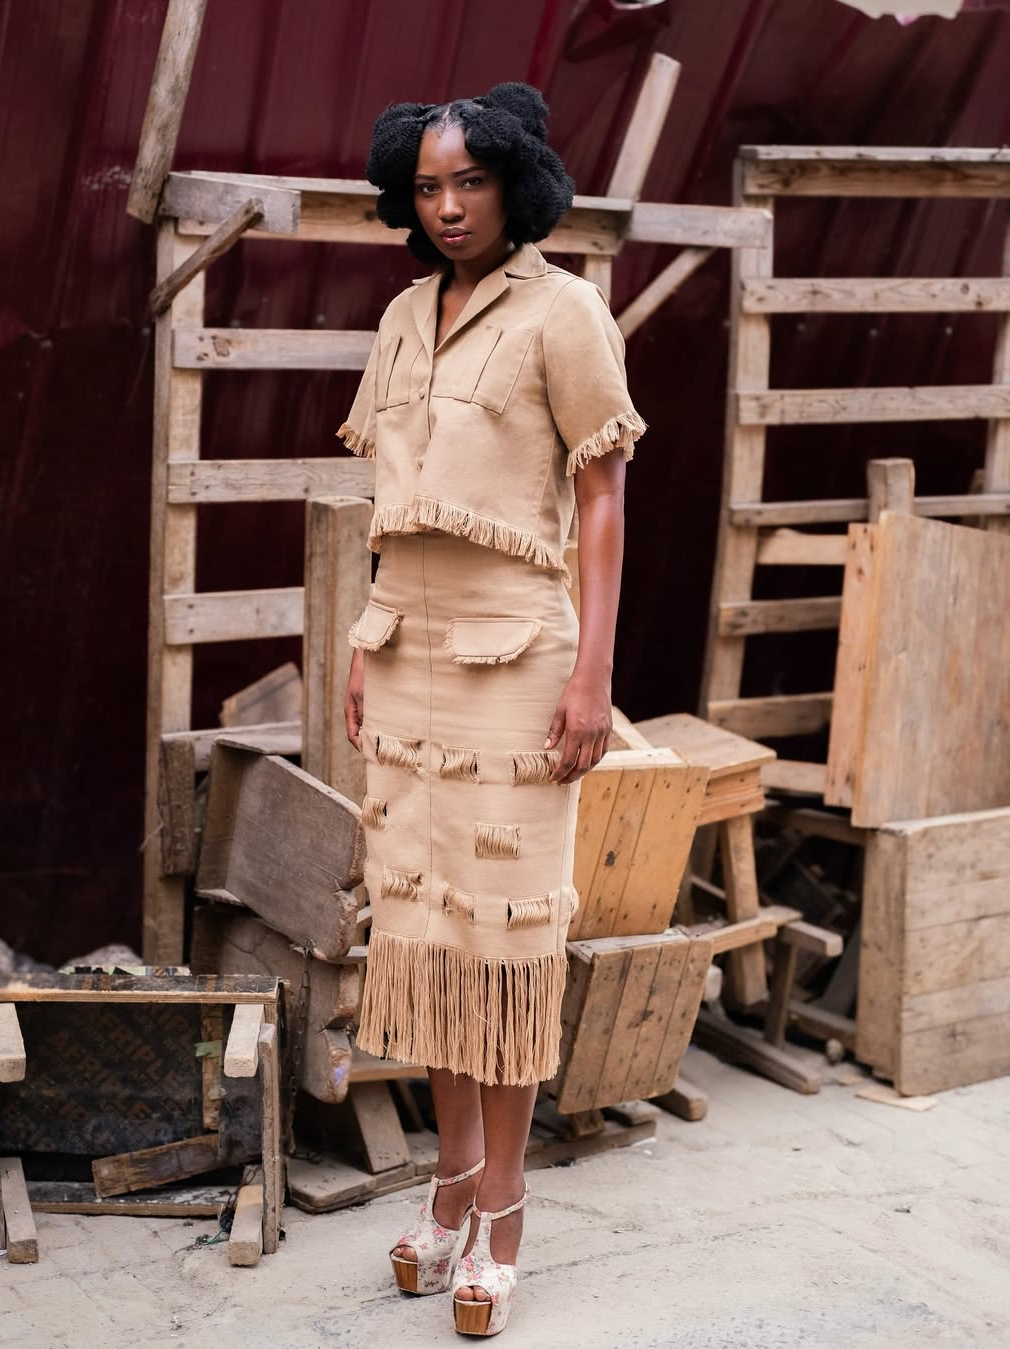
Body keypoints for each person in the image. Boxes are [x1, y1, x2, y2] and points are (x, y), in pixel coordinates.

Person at [337, 82, 645, 1338]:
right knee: (424, 932)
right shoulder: (403, 316)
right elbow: (390, 504)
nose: (449, 207)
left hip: (518, 656)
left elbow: (605, 494)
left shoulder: (566, 311)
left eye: (469, 181)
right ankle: (449, 1181)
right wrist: (364, 641)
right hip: (406, 652)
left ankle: (504, 1214)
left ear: (517, 182)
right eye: (427, 187)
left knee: (504, 946)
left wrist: (593, 675)